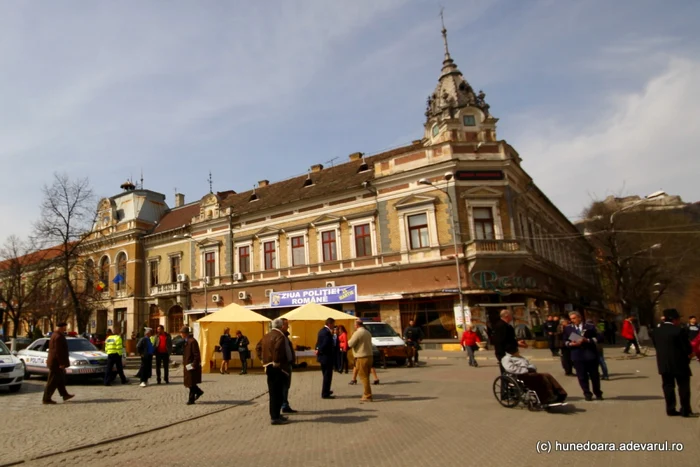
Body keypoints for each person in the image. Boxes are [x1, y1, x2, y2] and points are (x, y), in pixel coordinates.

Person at [654, 309, 695, 417]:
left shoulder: (656, 331)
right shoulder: (679, 331)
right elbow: (687, 348)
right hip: (680, 363)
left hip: (663, 363)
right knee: (683, 386)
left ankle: (670, 409)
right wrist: (690, 353)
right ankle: (685, 410)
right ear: (674, 320)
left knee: (668, 386)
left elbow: (656, 346)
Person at [501, 342, 567, 405]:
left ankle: (560, 393)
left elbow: (528, 364)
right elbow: (511, 369)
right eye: (516, 349)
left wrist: (532, 368)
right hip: (519, 376)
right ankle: (546, 398)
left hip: (528, 373)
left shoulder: (518, 356)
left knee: (547, 375)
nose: (518, 350)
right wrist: (527, 370)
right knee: (539, 378)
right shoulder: (506, 359)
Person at [563, 312, 603, 401]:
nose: (572, 320)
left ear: (579, 318)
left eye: (574, 318)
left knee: (594, 376)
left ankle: (598, 392)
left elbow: (600, 337)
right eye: (571, 319)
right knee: (581, 376)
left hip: (590, 354)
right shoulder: (568, 328)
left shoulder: (590, 327)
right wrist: (570, 344)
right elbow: (564, 340)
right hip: (577, 355)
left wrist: (587, 340)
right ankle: (587, 393)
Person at [261, 318, 290, 425]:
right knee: (277, 392)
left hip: (268, 366)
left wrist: (262, 359)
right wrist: (276, 361)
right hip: (277, 366)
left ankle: (276, 414)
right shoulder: (280, 336)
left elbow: (258, 347)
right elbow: (277, 349)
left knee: (273, 392)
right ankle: (275, 417)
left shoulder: (266, 335)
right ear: (281, 326)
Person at [42, 322, 75, 404]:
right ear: (62, 327)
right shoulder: (58, 337)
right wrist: (61, 363)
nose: (65, 329)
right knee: (52, 381)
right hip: (56, 363)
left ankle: (65, 394)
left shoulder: (55, 335)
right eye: (65, 327)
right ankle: (46, 399)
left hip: (55, 362)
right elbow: (58, 352)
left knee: (60, 379)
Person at [492, 309, 527, 375]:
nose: (512, 317)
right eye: (511, 315)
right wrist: (517, 344)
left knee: (521, 365)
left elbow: (509, 339)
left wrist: (518, 342)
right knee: (519, 366)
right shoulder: (501, 326)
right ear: (507, 316)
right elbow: (502, 341)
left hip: (511, 351)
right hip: (506, 353)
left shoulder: (507, 325)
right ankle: (506, 384)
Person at [347, 320, 374, 402]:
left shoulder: (358, 333)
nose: (354, 327)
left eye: (355, 325)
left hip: (361, 357)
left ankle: (367, 395)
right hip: (369, 356)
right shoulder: (367, 332)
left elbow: (350, 344)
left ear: (357, 325)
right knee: (367, 377)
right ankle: (367, 393)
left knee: (363, 377)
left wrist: (351, 336)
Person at [181, 326, 203, 405]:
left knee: (191, 382)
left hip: (191, 365)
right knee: (190, 382)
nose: (181, 334)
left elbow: (196, 354)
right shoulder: (187, 341)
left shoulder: (192, 341)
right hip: (187, 365)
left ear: (185, 333)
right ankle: (199, 392)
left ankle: (191, 399)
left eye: (182, 333)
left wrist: (194, 364)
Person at [315, 317, 336, 399]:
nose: (334, 326)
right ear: (329, 324)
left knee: (325, 374)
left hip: (323, 357)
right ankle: (325, 393)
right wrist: (319, 350)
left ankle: (326, 389)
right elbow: (325, 344)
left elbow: (318, 342)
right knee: (328, 375)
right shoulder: (327, 332)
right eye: (333, 324)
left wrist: (317, 349)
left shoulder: (321, 330)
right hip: (326, 357)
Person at [280, 319, 297, 414]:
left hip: (288, 364)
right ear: (282, 326)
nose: (288, 327)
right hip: (283, 365)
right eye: (287, 325)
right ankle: (284, 405)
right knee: (284, 386)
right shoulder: (279, 336)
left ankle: (285, 404)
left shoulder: (285, 336)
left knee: (286, 386)